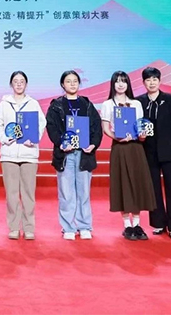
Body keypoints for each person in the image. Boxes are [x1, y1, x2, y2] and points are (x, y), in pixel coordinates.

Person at [46, 70, 102, 240]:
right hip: (65, 155)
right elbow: (51, 128)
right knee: (66, 192)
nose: (72, 84)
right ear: (62, 84)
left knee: (84, 192)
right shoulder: (56, 106)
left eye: (75, 81)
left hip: (84, 154)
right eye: (68, 81)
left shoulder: (87, 104)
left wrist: (93, 144)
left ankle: (84, 226)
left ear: (79, 83)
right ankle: (68, 227)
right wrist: (61, 143)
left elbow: (96, 127)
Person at [101, 70, 156, 241]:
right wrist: (116, 137)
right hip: (119, 148)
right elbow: (105, 129)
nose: (120, 84)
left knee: (137, 183)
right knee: (122, 183)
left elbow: (140, 127)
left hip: (136, 148)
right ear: (113, 84)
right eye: (117, 81)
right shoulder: (107, 104)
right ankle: (127, 225)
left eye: (123, 81)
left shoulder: (136, 104)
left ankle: (137, 224)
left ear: (128, 84)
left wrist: (142, 135)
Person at [0, 71, 46, 240]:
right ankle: (14, 227)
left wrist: (34, 139)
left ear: (26, 84)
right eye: (16, 81)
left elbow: (41, 124)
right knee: (12, 194)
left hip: (29, 154)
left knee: (28, 193)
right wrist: (4, 138)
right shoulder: (4, 104)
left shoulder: (33, 103)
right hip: (9, 154)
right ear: (11, 84)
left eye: (22, 81)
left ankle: (29, 227)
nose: (19, 84)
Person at [136, 66, 171, 239]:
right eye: (148, 80)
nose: (152, 83)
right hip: (148, 151)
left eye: (154, 79)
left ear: (159, 81)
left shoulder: (170, 99)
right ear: (143, 82)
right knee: (153, 189)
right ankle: (158, 223)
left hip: (170, 151)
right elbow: (136, 124)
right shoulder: (139, 101)